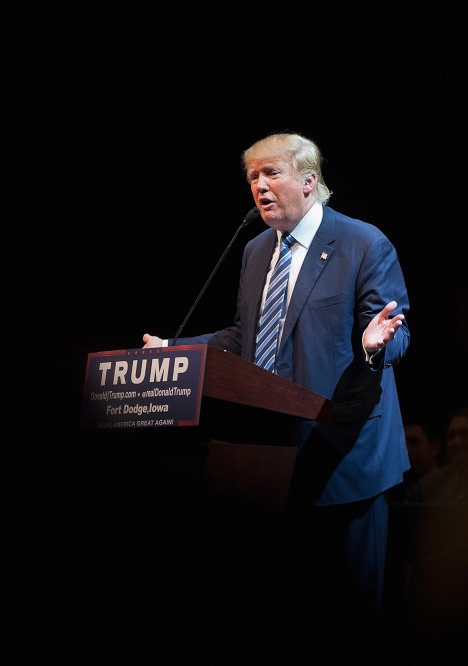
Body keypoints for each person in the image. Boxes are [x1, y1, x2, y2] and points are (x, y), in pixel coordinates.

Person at [141, 132, 411, 629]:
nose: (259, 186)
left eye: (271, 173)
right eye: (252, 177)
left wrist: (375, 346)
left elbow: (395, 332)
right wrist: (175, 351)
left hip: (343, 456)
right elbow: (247, 334)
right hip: (269, 459)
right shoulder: (255, 250)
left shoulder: (362, 241)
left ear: (309, 182)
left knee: (350, 617)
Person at [387, 420, 443, 505]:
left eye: (414, 442)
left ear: (434, 447)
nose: (406, 450)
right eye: (403, 445)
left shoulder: (449, 487)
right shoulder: (394, 489)